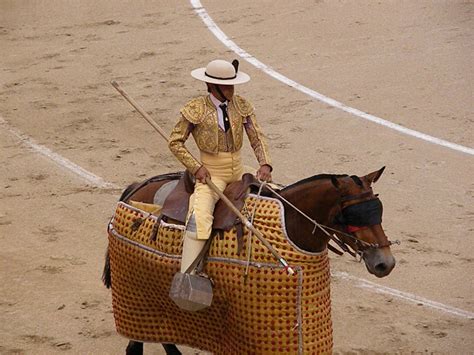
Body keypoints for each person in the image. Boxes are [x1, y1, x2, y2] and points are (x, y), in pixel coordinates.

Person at [168, 59, 272, 274]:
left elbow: (256, 137)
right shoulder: (195, 109)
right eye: (225, 86)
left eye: (232, 85)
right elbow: (175, 141)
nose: (231, 90)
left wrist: (265, 164)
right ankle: (188, 274)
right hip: (212, 174)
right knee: (200, 216)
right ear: (211, 87)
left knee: (273, 200)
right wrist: (196, 168)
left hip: (238, 171)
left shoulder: (242, 106)